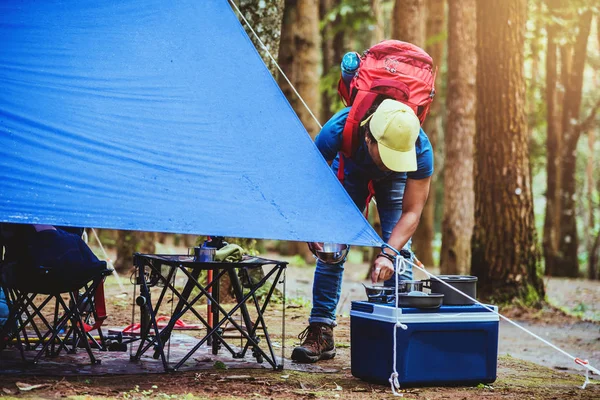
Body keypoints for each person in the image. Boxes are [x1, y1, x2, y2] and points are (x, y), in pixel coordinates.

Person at [291, 99, 433, 363]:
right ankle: (321, 332)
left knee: (400, 253)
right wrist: (314, 227)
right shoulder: (338, 130)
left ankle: (400, 335)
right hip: (351, 167)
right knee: (331, 246)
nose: (390, 163)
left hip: (397, 181)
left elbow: (412, 213)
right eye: (387, 155)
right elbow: (311, 184)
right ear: (369, 137)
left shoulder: (420, 149)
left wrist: (389, 254)